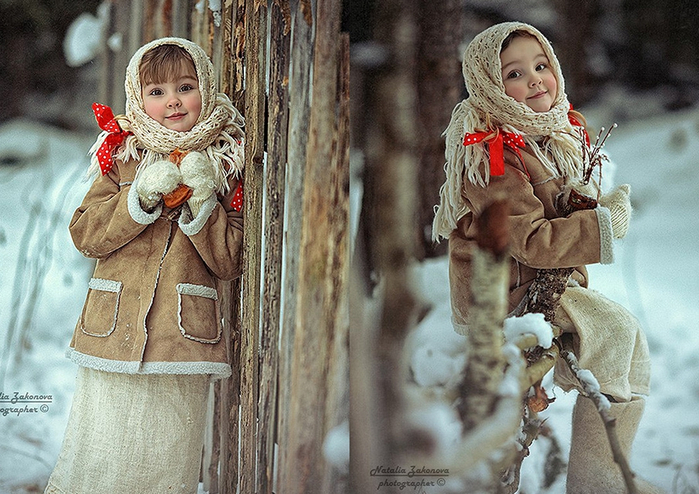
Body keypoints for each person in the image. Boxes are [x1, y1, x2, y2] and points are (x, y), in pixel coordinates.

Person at [432, 22, 664, 493]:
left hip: (545, 282)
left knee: (631, 344)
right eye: (514, 74)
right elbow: (531, 240)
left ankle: (612, 467)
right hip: (505, 294)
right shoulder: (491, 154)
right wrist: (603, 226)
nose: (536, 80)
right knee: (615, 331)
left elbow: (545, 212)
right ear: (490, 87)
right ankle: (595, 481)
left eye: (541, 66)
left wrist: (581, 200)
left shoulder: (545, 137)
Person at [44, 37, 245, 494]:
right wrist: (139, 198)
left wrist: (201, 200)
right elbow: (86, 233)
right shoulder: (122, 154)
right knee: (105, 445)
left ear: (206, 89)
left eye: (185, 86)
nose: (172, 100)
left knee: (165, 454)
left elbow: (230, 259)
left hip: (181, 338)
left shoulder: (228, 162)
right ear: (139, 98)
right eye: (156, 92)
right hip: (113, 332)